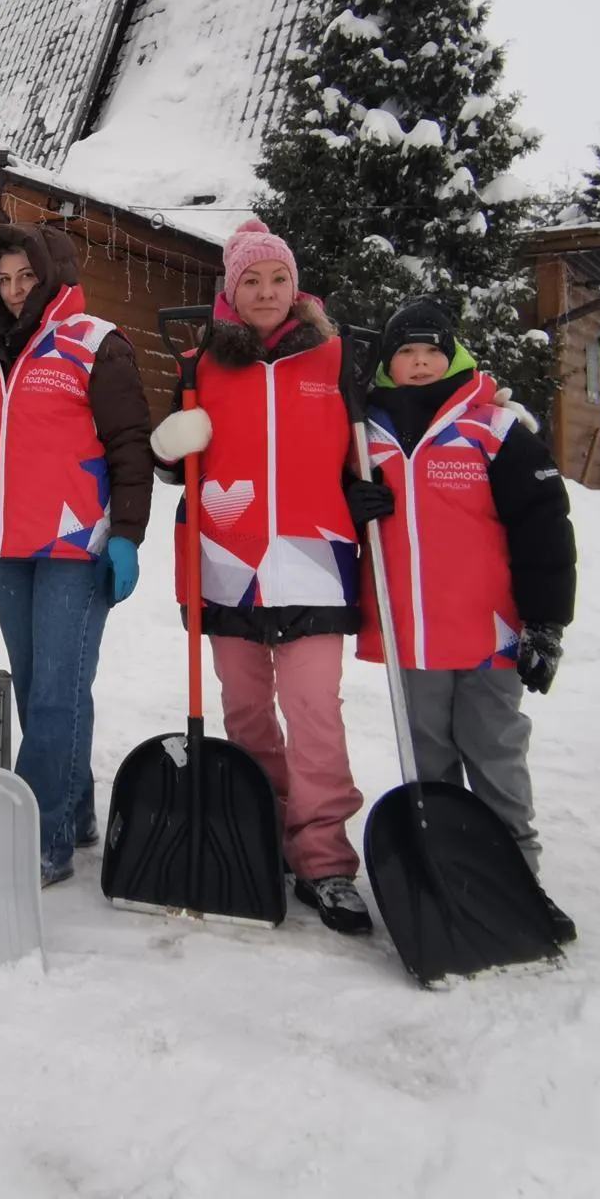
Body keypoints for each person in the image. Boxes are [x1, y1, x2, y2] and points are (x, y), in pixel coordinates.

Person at [148, 219, 388, 935]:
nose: (265, 292)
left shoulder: (335, 358)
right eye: (250, 280)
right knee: (248, 712)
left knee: (315, 710)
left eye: (277, 278)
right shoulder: (201, 364)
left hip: (316, 561)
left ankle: (324, 859)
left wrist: (368, 490)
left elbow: (374, 443)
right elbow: (179, 466)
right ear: (230, 290)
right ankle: (267, 829)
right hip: (228, 565)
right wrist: (169, 448)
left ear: (295, 286)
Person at [355, 297, 579, 943]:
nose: (421, 362)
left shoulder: (495, 428)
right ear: (389, 363)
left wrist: (546, 623)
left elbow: (544, 527)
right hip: (414, 633)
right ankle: (444, 875)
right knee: (426, 759)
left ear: (453, 355)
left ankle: (519, 881)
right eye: (407, 352)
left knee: (494, 750)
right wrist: (352, 500)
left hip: (489, 634)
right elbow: (336, 511)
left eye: (432, 350)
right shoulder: (365, 432)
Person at [0, 222, 152, 887]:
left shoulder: (96, 342)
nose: (15, 290)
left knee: (54, 694)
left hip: (76, 541)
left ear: (52, 276)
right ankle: (75, 808)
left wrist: (127, 532)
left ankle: (41, 836)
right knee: (41, 687)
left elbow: (130, 442)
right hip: (7, 545)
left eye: (26, 277)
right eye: (4, 279)